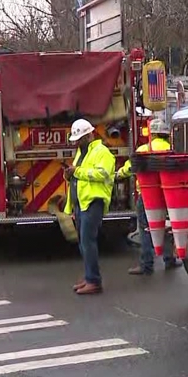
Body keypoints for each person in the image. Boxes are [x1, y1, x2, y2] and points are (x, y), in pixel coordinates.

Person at [117, 118, 180, 275]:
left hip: (147, 195)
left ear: (151, 134)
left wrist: (119, 174)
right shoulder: (173, 148)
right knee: (165, 226)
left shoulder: (144, 149)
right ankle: (169, 259)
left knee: (146, 228)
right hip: (168, 193)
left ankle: (147, 264)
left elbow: (130, 168)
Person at [65, 118, 115, 295]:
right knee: (83, 242)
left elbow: (102, 173)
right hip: (82, 203)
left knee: (88, 241)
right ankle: (88, 276)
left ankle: (94, 281)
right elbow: (78, 173)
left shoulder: (102, 152)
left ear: (89, 136)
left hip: (94, 202)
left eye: (79, 139)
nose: (76, 142)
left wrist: (76, 172)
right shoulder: (82, 152)